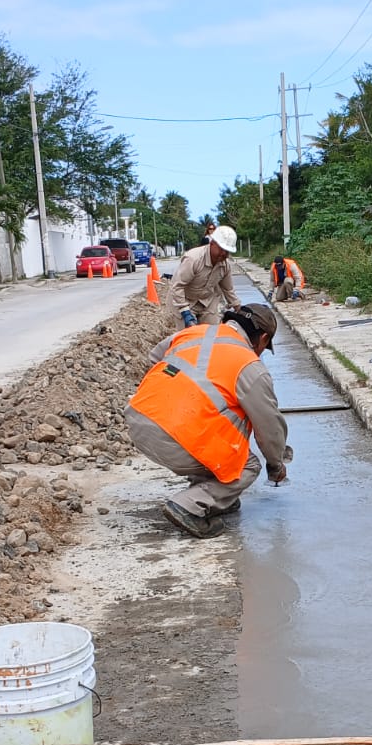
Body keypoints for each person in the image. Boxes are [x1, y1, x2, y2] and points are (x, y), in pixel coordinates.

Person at [125, 302, 289, 538]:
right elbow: (269, 427)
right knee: (246, 464)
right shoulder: (249, 366)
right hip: (174, 440)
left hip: (138, 421)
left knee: (214, 412)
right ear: (263, 338)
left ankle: (215, 495)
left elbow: (155, 359)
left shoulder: (191, 333)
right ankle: (190, 504)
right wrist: (276, 465)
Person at [166, 224, 242, 329]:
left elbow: (228, 290)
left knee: (213, 332)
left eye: (227, 251)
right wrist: (185, 312)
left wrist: (239, 309)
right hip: (184, 301)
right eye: (221, 249)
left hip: (206, 302)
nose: (223, 253)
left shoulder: (224, 266)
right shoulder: (193, 259)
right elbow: (177, 287)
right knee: (189, 335)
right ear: (212, 243)